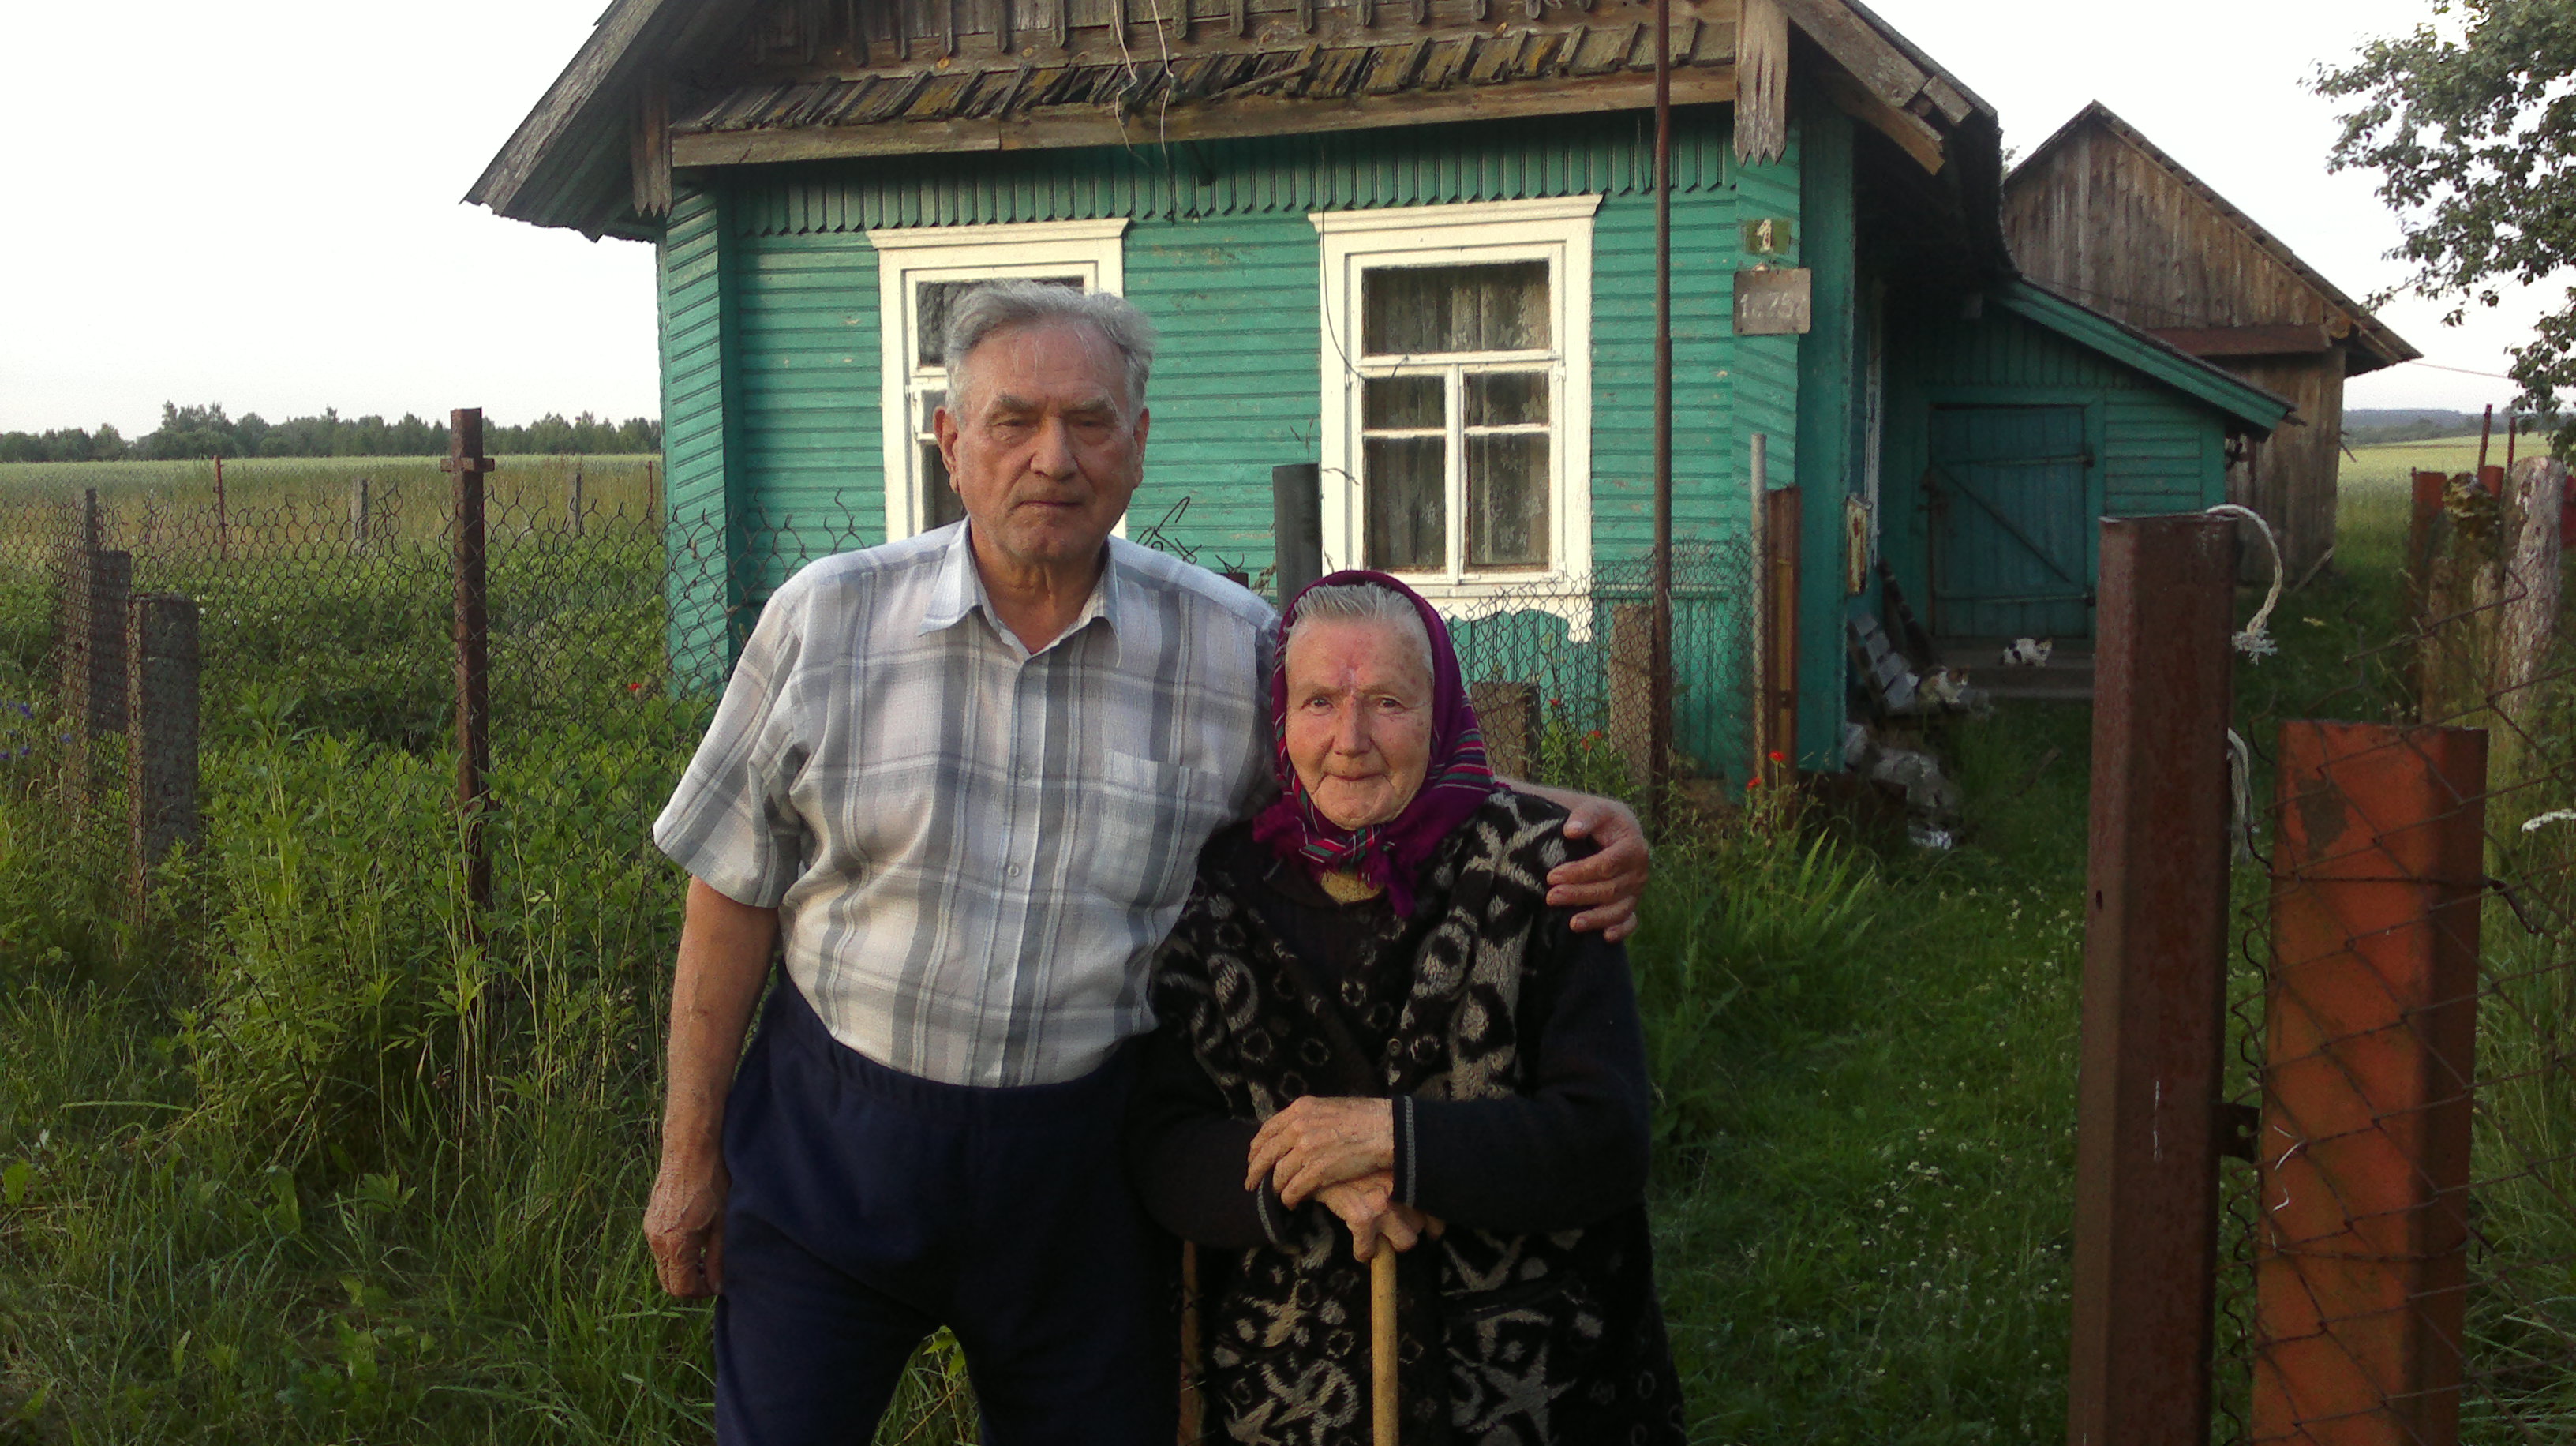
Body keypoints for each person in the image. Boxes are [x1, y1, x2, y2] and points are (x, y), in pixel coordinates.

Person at [642, 280, 1652, 1444]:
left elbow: (1354, 763)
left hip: (1084, 1171)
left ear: (1138, 444)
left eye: (1090, 421)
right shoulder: (826, 621)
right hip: (831, 1152)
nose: (1053, 457)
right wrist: (688, 1157)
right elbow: (730, 890)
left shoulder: (1228, 646)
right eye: (1014, 421)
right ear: (950, 441)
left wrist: (1559, 815)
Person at [1129, 571, 1686, 1446]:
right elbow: (1164, 1143)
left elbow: (1606, 1141)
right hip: (1294, 1396)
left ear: (1442, 712)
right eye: (1319, 701)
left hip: (1539, 1393)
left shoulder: (1544, 869)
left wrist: (1395, 1141)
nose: (1349, 740)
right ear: (1281, 719)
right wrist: (1308, 1165)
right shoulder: (1220, 892)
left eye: (1387, 702)